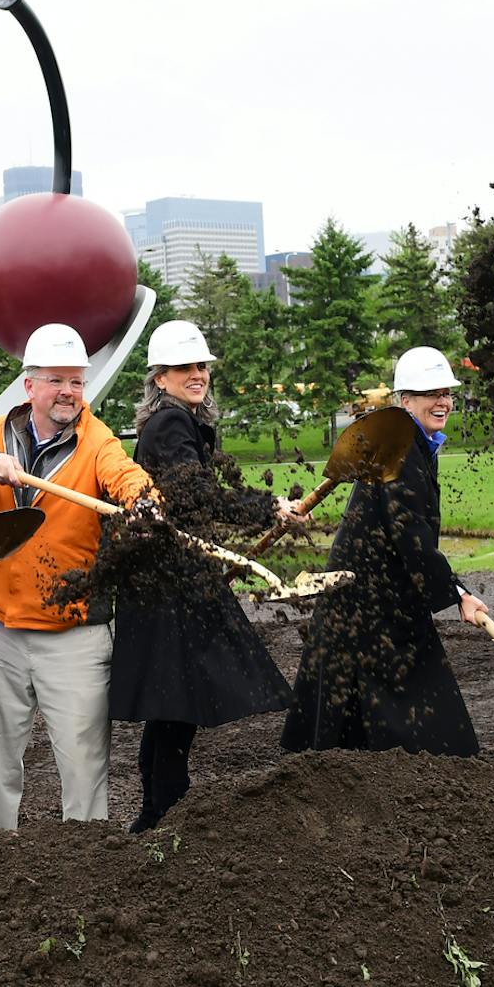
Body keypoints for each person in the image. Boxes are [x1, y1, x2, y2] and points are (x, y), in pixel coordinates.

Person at [0, 322, 155, 829]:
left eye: (77, 381)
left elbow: (124, 474)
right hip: (1, 630)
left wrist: (143, 501)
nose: (69, 392)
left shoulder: (97, 441)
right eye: (57, 380)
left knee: (83, 767)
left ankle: (86, 867)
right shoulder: (2, 432)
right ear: (29, 386)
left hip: (74, 636)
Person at [109, 320, 293, 832]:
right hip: (169, 587)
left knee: (170, 707)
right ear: (160, 377)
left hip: (172, 579)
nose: (197, 374)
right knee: (174, 705)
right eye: (184, 367)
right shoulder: (170, 425)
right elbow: (197, 497)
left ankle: (157, 813)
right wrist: (268, 506)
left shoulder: (180, 421)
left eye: (201, 366)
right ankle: (161, 816)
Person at [281, 346, 492, 756]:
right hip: (371, 601)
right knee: (413, 709)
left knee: (349, 707)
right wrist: (457, 594)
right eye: (430, 393)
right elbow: (411, 536)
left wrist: (455, 588)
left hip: (375, 598)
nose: (443, 401)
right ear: (404, 401)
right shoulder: (400, 450)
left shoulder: (408, 444)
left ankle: (354, 774)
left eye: (446, 393)